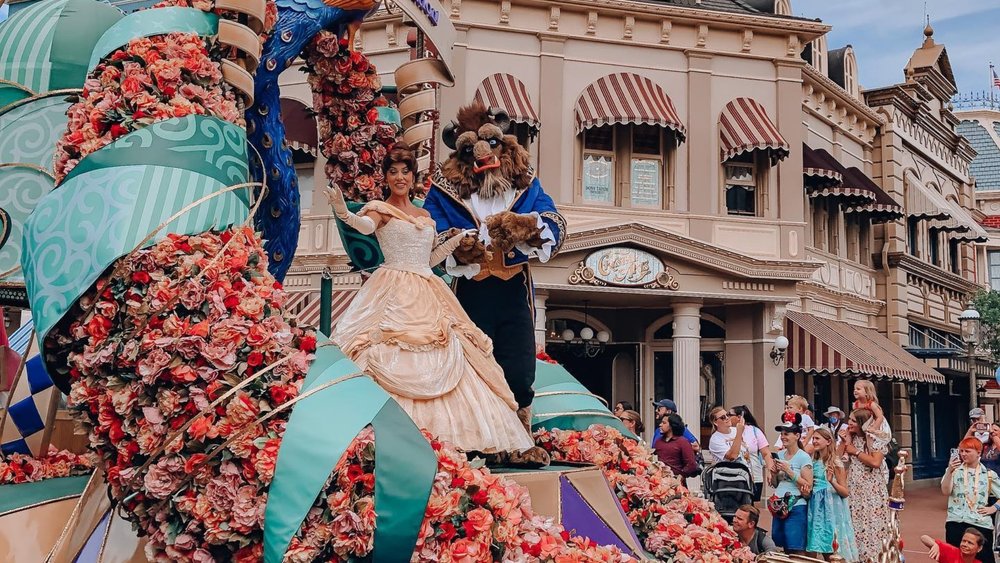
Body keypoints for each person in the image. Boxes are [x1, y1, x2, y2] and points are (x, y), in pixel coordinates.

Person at [328, 144, 539, 458]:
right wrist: (344, 212)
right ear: (386, 177)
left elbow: (431, 258)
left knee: (456, 352)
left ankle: (451, 442)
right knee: (385, 351)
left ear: (413, 176)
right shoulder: (379, 208)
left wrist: (455, 240)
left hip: (426, 285)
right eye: (393, 171)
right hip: (393, 287)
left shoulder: (425, 215)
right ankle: (383, 439)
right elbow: (366, 227)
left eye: (405, 171)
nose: (400, 177)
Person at [424, 102, 566, 430]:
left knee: (518, 366)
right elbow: (429, 228)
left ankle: (517, 434)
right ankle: (471, 433)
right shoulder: (445, 191)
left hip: (513, 287)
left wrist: (527, 226)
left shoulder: (526, 186)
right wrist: (458, 245)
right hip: (470, 290)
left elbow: (554, 220)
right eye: (472, 147)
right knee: (470, 361)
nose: (483, 152)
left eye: (491, 143)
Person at [838, 407, 891, 562]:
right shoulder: (851, 438)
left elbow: (875, 462)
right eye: (849, 419)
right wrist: (843, 442)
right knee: (855, 522)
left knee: (871, 525)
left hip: (872, 488)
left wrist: (855, 451)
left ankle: (874, 558)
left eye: (853, 420)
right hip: (854, 486)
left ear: (862, 423)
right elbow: (836, 459)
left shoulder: (875, 438)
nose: (849, 423)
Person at [941, 437, 1000, 556]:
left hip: (980, 523)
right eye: (962, 451)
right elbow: (945, 491)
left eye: (967, 451)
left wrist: (994, 508)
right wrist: (949, 471)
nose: (963, 454)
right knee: (955, 557)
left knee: (983, 558)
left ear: (979, 453)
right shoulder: (955, 471)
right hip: (956, 521)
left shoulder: (988, 474)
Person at [806, 427, 858, 561]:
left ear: (828, 441)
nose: (814, 441)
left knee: (831, 546)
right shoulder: (813, 461)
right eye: (813, 439)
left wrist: (831, 482)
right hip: (815, 507)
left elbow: (845, 492)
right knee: (814, 545)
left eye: (817, 438)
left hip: (831, 509)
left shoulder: (835, 462)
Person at [707, 406, 773, 502]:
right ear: (715, 422)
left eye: (727, 415)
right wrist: (739, 433)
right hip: (727, 481)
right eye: (722, 417)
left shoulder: (736, 430)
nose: (727, 418)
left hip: (746, 478)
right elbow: (732, 456)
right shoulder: (715, 439)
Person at [769, 417, 813, 555]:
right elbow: (775, 484)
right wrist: (774, 473)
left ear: (797, 436)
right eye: (781, 434)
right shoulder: (780, 454)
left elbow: (808, 485)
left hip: (796, 505)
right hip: (778, 505)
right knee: (782, 544)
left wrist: (789, 471)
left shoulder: (803, 457)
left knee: (796, 546)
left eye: (786, 434)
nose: (783, 437)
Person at [731, 404, 776, 502]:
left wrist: (770, 470)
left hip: (753, 475)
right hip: (733, 475)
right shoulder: (727, 432)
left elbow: (766, 453)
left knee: (749, 504)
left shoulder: (754, 431)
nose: (727, 417)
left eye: (729, 414)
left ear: (739, 417)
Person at [653, 414, 700, 484]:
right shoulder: (658, 441)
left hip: (677, 483)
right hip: (659, 482)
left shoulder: (683, 442)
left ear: (672, 425)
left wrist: (681, 476)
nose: (660, 425)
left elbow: (691, 464)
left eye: (664, 423)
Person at [922, 529, 987, 563]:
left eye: (970, 543)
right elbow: (924, 537)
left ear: (979, 548)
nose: (965, 544)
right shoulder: (950, 551)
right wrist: (935, 544)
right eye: (963, 541)